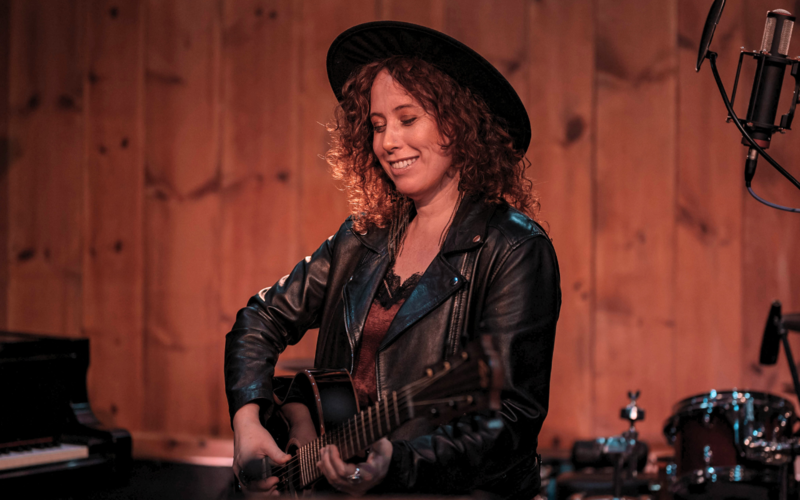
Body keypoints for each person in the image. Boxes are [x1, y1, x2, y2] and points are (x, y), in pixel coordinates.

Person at [224, 21, 560, 498]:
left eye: (407, 119)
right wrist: (248, 422)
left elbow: (508, 425)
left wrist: (397, 464)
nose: (387, 143)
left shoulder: (514, 250)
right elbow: (260, 319)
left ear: (459, 124)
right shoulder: (362, 237)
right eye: (378, 125)